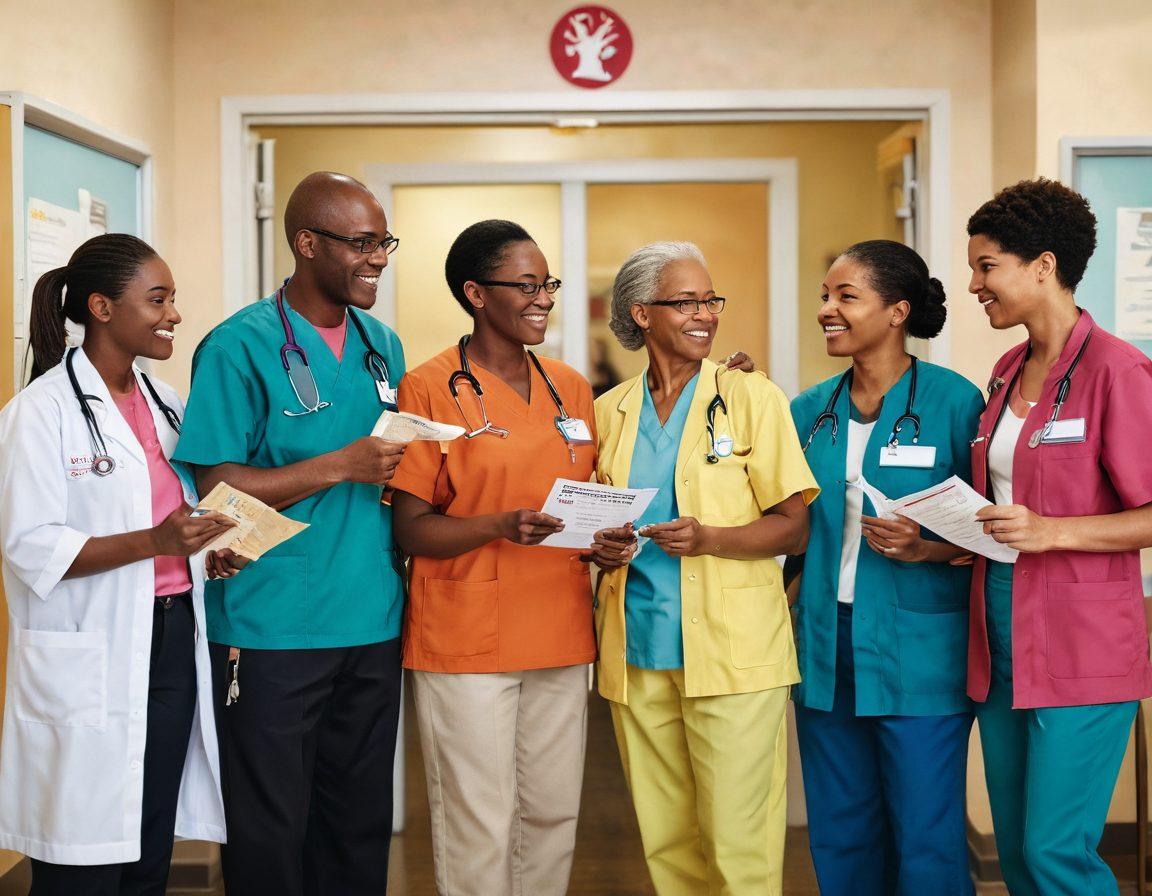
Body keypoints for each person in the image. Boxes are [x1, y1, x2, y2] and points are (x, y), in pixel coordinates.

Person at [172, 172, 408, 896]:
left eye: (383, 242)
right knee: (272, 826)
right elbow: (213, 481)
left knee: (359, 822)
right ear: (307, 244)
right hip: (272, 626)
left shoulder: (382, 347)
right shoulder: (238, 345)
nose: (378, 258)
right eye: (362, 243)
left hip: (370, 618)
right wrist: (339, 465)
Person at [0, 234, 241, 895]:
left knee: (147, 843)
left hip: (169, 642)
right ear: (102, 308)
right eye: (157, 300)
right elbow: (29, 546)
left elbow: (173, 522)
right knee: (82, 859)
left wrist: (204, 552)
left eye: (173, 300)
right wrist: (158, 543)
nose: (174, 316)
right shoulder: (39, 412)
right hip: (91, 652)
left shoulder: (168, 407)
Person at [588, 241, 818, 896]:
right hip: (639, 654)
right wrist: (606, 547)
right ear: (641, 313)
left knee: (737, 843)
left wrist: (711, 536)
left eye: (710, 299)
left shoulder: (750, 396)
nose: (705, 314)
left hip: (733, 657)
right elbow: (604, 520)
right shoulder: (612, 412)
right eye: (685, 301)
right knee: (668, 843)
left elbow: (792, 523)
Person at [388, 219, 597, 896]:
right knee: (480, 819)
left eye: (548, 284)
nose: (542, 298)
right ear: (476, 293)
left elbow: (588, 498)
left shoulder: (572, 386)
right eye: (525, 285)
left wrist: (610, 541)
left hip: (558, 628)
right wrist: (500, 525)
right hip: (466, 638)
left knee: (552, 813)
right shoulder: (425, 388)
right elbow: (411, 529)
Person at [966, 178, 1152, 896]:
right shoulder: (1007, 370)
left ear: (1042, 266)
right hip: (1002, 629)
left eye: (987, 266)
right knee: (1015, 849)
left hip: (1083, 641)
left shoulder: (1118, 371)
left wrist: (1051, 531)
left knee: (1055, 852)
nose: (975, 283)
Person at [788, 240, 983, 896]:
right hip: (825, 643)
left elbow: (993, 527)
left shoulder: (956, 403)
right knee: (841, 825)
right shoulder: (807, 410)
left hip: (919, 646)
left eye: (846, 296)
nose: (827, 310)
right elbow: (791, 529)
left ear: (897, 311)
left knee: (925, 830)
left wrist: (924, 547)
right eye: (825, 296)